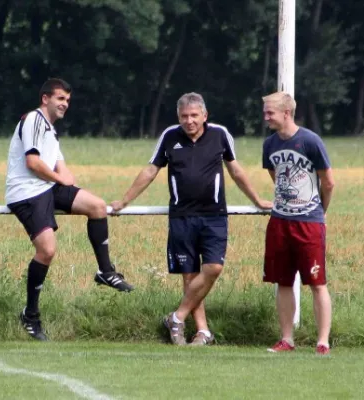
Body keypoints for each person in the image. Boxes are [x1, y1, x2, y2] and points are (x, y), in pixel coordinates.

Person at [111, 92, 272, 346]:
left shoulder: (220, 134)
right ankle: (202, 332)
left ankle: (176, 317)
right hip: (182, 217)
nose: (189, 121)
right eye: (184, 116)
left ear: (204, 116)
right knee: (189, 275)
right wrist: (124, 201)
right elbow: (150, 170)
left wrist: (257, 200)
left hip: (214, 215)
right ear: (178, 117)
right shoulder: (169, 136)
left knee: (213, 268)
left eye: (194, 115)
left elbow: (235, 170)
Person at [5, 78, 134, 341]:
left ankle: (105, 272)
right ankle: (30, 314)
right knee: (47, 250)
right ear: (45, 98)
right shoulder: (33, 120)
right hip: (28, 191)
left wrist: (69, 184)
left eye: (67, 100)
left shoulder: (50, 130)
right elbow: (32, 162)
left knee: (97, 206)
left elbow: (62, 169)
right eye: (60, 98)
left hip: (47, 186)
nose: (65, 104)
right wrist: (61, 181)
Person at [261, 92, 334, 355]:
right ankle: (286, 339)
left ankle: (322, 341)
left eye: (270, 112)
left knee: (317, 282)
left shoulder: (310, 141)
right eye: (265, 111)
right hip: (280, 221)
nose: (265, 116)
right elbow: (274, 174)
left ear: (286, 113)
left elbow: (328, 182)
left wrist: (318, 211)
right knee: (282, 280)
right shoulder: (269, 144)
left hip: (309, 223)